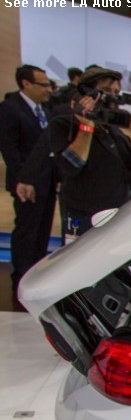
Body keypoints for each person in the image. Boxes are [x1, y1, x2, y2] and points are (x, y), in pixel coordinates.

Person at [49, 66, 131, 240]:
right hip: (84, 216)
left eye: (116, 92)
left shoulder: (117, 130)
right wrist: (86, 127)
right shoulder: (64, 124)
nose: (113, 97)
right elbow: (70, 166)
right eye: (106, 91)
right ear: (87, 94)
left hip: (119, 213)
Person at [0, 65, 55, 292]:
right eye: (44, 85)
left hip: (48, 182)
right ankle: (22, 278)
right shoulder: (10, 109)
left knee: (42, 232)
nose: (49, 89)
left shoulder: (46, 110)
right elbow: (10, 149)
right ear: (26, 84)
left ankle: (37, 275)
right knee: (26, 231)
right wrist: (25, 179)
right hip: (27, 185)